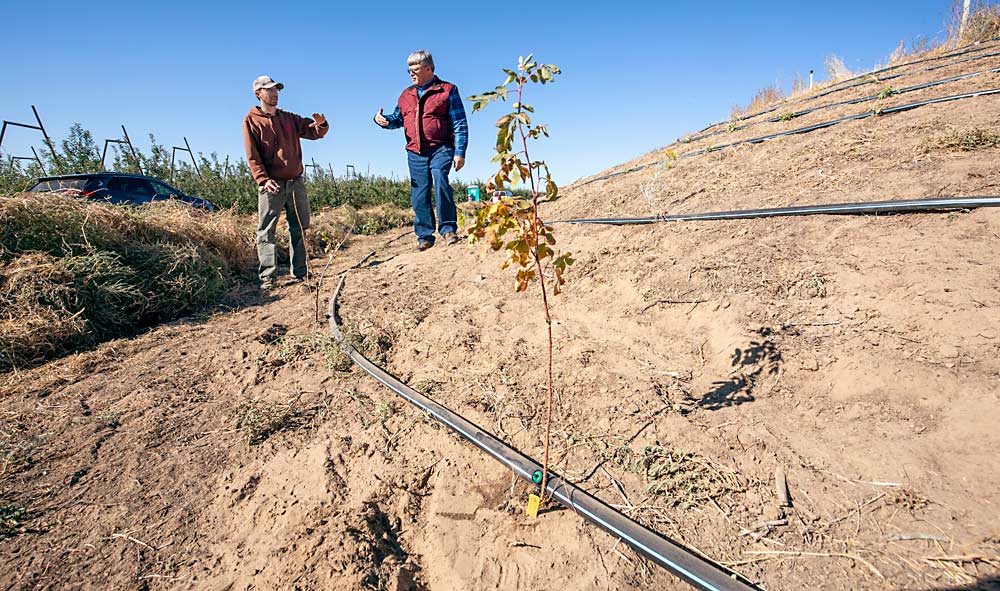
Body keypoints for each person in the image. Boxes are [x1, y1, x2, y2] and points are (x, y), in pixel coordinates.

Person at [374, 50, 468, 251]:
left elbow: (459, 122)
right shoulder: (405, 95)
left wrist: (460, 152)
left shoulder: (447, 90)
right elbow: (397, 120)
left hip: (441, 147)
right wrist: (382, 121)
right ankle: (425, 236)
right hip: (415, 152)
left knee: (440, 179)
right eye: (409, 70)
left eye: (415, 69)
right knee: (419, 192)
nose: (411, 73)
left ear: (428, 69)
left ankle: (448, 229)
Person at [243, 75, 329, 289]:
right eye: (269, 90)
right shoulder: (251, 120)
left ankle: (299, 272)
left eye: (277, 90)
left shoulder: (289, 118)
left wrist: (321, 125)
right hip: (271, 185)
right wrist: (263, 180)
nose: (275, 94)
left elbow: (313, 132)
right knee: (266, 230)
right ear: (258, 94)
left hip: (295, 182)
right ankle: (268, 277)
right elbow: (252, 156)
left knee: (300, 226)